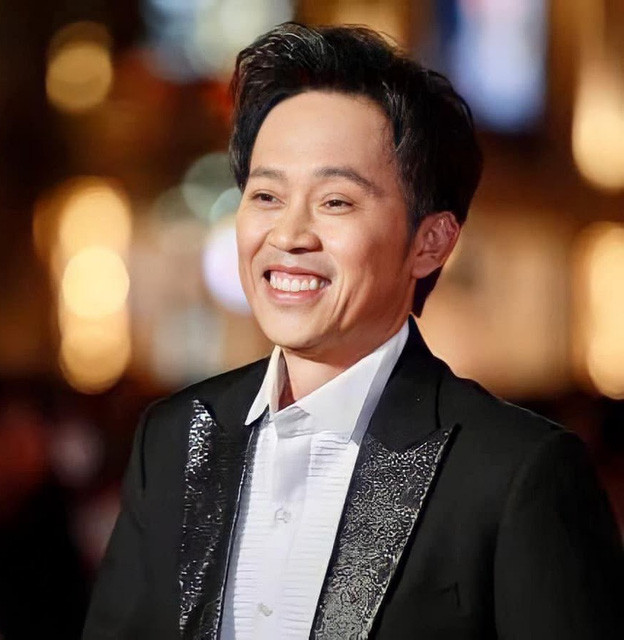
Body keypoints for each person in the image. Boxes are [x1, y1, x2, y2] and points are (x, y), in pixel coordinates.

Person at [82, 23, 624, 640]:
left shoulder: (515, 474)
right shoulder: (175, 438)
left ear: (430, 241)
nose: (289, 235)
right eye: (266, 196)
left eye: (335, 202)